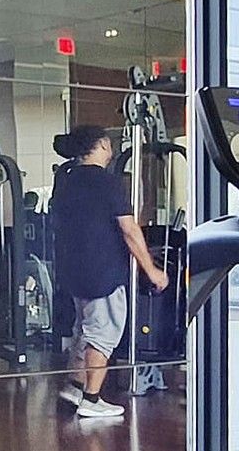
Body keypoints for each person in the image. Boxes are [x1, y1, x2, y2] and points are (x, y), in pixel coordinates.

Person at [47, 124, 169, 419]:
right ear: (102, 144)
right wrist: (152, 270)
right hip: (102, 271)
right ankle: (91, 399)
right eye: (109, 143)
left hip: (74, 270)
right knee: (102, 333)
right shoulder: (106, 181)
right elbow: (129, 230)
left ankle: (75, 386)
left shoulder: (66, 178)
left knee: (84, 328)